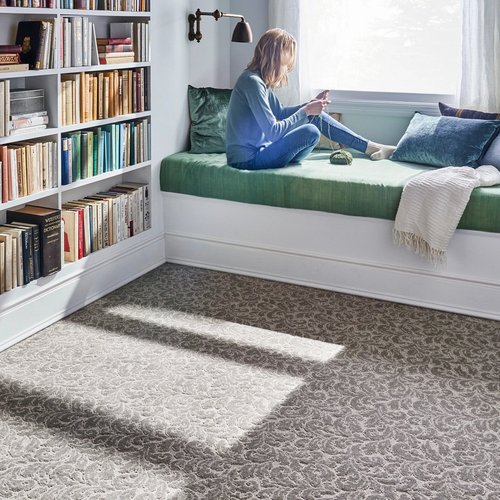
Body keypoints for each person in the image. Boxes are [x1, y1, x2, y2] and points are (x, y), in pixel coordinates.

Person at [226, 28, 396, 170]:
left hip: (263, 151)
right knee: (311, 131)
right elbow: (273, 132)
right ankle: (371, 147)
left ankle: (371, 147)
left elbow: (281, 112)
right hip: (247, 160)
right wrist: (306, 111)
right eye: (286, 64)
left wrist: (311, 105)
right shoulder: (252, 82)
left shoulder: (259, 81)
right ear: (274, 58)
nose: (286, 70)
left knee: (315, 117)